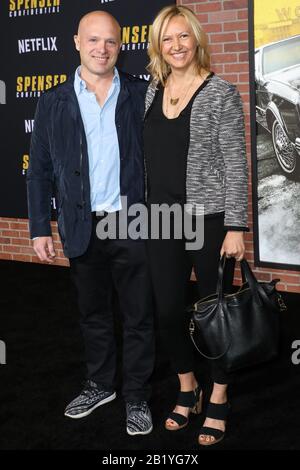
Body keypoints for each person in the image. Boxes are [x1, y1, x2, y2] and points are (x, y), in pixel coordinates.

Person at [27, 10, 155, 436]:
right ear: (77, 42)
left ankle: (136, 395)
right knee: (93, 313)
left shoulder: (140, 94)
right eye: (94, 40)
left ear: (121, 47)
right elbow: (40, 170)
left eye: (111, 42)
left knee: (139, 315)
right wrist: (40, 227)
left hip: (131, 221)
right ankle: (101, 384)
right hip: (82, 225)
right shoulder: (53, 100)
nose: (102, 49)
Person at [144, 5, 248, 446]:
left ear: (197, 39)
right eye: (167, 39)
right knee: (167, 311)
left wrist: (236, 226)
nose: (176, 46)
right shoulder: (153, 89)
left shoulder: (220, 92)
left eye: (183, 36)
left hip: (209, 221)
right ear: (158, 46)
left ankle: (220, 392)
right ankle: (189, 388)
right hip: (161, 221)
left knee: (214, 315)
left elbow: (235, 162)